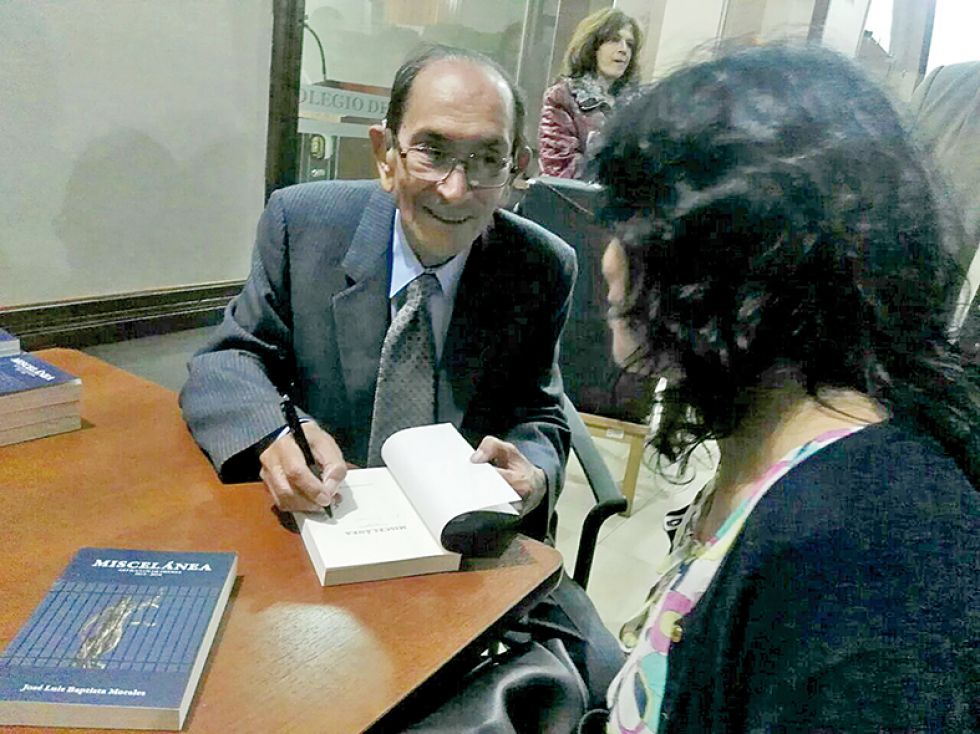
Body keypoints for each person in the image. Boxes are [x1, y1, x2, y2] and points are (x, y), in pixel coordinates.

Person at [590, 45, 979, 731]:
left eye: (632, 226)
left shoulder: (866, 558)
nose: (609, 259)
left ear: (736, 253)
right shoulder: (776, 457)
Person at [179, 45, 577, 543]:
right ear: (385, 155)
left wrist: (534, 473)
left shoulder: (540, 265)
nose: (455, 190)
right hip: (324, 518)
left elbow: (540, 411)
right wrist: (274, 433)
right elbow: (228, 360)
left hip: (461, 541)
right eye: (433, 153)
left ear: (515, 167)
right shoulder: (302, 226)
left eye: (488, 159)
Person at [538, 8, 642, 179]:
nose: (623, 49)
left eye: (629, 44)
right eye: (614, 40)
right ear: (593, 47)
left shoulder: (639, 104)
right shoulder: (563, 96)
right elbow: (559, 169)